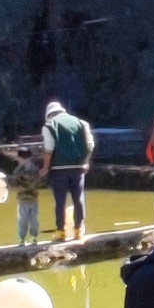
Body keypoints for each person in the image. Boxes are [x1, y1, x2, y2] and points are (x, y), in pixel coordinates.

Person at [42, 99, 92, 237]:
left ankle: (61, 232)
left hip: (58, 168)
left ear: (49, 115)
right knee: (79, 198)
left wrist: (45, 167)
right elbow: (90, 145)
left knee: (60, 201)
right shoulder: (82, 123)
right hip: (79, 167)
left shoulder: (49, 126)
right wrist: (86, 162)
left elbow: (49, 149)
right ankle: (78, 230)